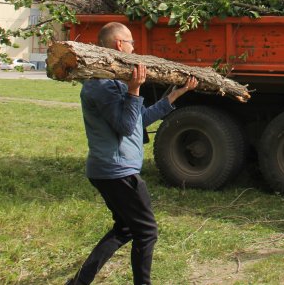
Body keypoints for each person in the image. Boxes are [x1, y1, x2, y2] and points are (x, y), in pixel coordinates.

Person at [67, 22, 198, 285]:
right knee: (147, 232)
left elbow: (137, 122)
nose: (134, 48)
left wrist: (172, 98)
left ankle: (79, 282)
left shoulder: (111, 82)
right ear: (119, 45)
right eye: (131, 43)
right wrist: (134, 89)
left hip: (111, 170)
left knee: (126, 228)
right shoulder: (101, 85)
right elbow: (126, 127)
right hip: (117, 172)